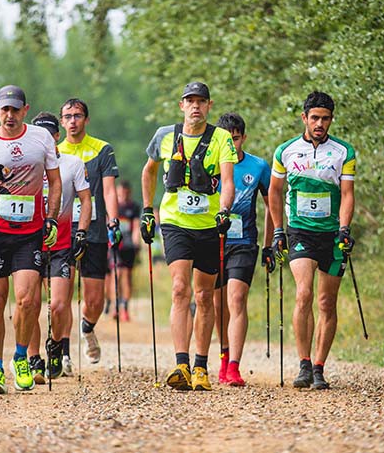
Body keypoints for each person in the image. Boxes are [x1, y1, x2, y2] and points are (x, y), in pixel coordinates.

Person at [0, 85, 61, 394]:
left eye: (15, 109)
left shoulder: (41, 139)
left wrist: (51, 218)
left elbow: (55, 183)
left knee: (28, 299)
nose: (10, 115)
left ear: (25, 110)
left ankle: (20, 357)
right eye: (5, 109)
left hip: (30, 231)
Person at [141, 81, 237, 391]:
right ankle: (181, 364)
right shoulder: (165, 136)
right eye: (189, 101)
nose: (195, 106)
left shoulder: (221, 138)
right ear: (181, 105)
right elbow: (149, 171)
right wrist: (146, 208)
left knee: (204, 296)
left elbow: (227, 179)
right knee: (180, 288)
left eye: (201, 101)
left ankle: (200, 366)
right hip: (174, 222)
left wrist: (225, 209)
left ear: (209, 106)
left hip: (208, 224)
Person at [268, 90, 356, 390]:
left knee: (326, 302)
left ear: (331, 120)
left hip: (331, 234)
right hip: (300, 231)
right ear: (304, 118)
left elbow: (347, 195)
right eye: (315, 118)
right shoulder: (286, 151)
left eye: (326, 118)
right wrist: (278, 229)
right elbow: (275, 192)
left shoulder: (344, 152)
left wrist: (344, 229)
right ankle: (304, 364)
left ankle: (319, 366)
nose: (320, 123)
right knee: (304, 293)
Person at [26, 112, 91, 383]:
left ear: (56, 136)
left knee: (59, 305)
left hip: (61, 243)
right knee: (28, 304)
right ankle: (33, 359)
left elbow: (86, 200)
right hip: (28, 243)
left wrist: (82, 233)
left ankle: (54, 346)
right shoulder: (26, 164)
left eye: (48, 134)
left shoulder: (72, 163)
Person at [211, 112, 274, 387]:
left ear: (243, 138)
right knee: (217, 304)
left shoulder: (258, 166)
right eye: (226, 140)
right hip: (212, 242)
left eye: (235, 139)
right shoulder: (210, 165)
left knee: (236, 299)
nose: (231, 145)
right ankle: (223, 357)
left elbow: (272, 204)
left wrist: (271, 242)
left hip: (244, 243)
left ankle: (235, 366)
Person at [58, 97, 120, 364]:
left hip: (93, 230)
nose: (73, 121)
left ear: (86, 119)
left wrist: (113, 221)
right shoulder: (54, 152)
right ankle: (63, 352)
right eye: (68, 116)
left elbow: (108, 190)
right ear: (62, 122)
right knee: (63, 295)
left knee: (95, 300)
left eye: (78, 116)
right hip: (63, 230)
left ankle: (87, 328)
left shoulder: (102, 149)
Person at [104, 180, 141, 321]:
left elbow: (136, 226)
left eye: (125, 192)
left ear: (129, 192)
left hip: (129, 246)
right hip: (115, 245)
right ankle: (115, 306)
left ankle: (125, 307)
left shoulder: (134, 207)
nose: (123, 195)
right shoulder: (114, 207)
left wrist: (136, 242)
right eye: (120, 192)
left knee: (126, 276)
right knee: (116, 274)